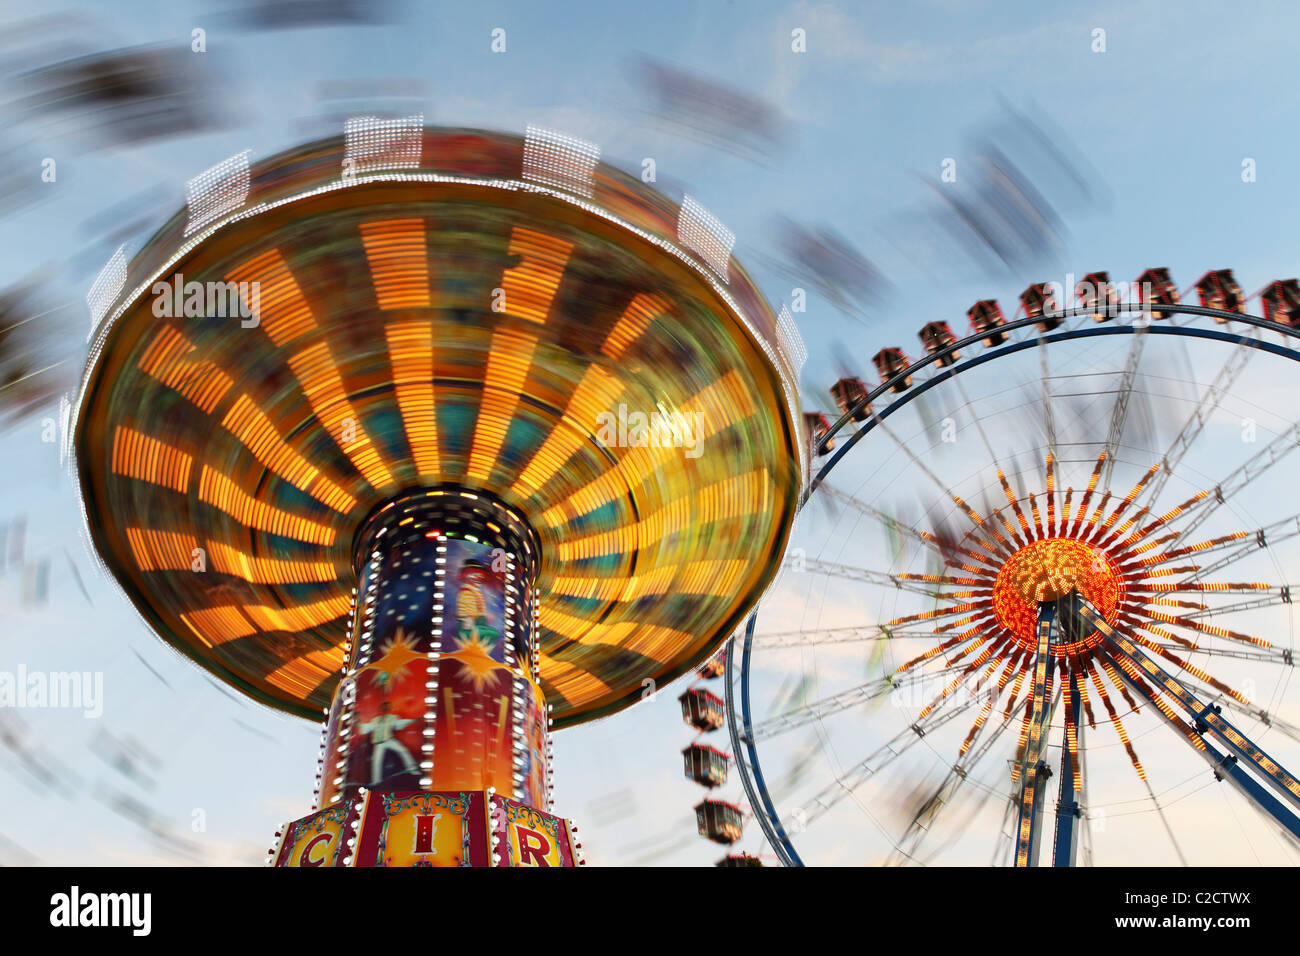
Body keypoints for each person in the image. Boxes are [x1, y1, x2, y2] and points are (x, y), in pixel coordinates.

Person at [360, 700, 417, 783]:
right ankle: (376, 781)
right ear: (381, 709)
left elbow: (399, 723)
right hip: (379, 744)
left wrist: (413, 720)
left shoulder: (392, 718)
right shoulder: (375, 720)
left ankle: (413, 770)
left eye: (387, 708)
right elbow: (367, 727)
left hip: (390, 741)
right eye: (384, 708)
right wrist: (358, 724)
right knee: (376, 762)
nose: (386, 709)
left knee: (403, 750)